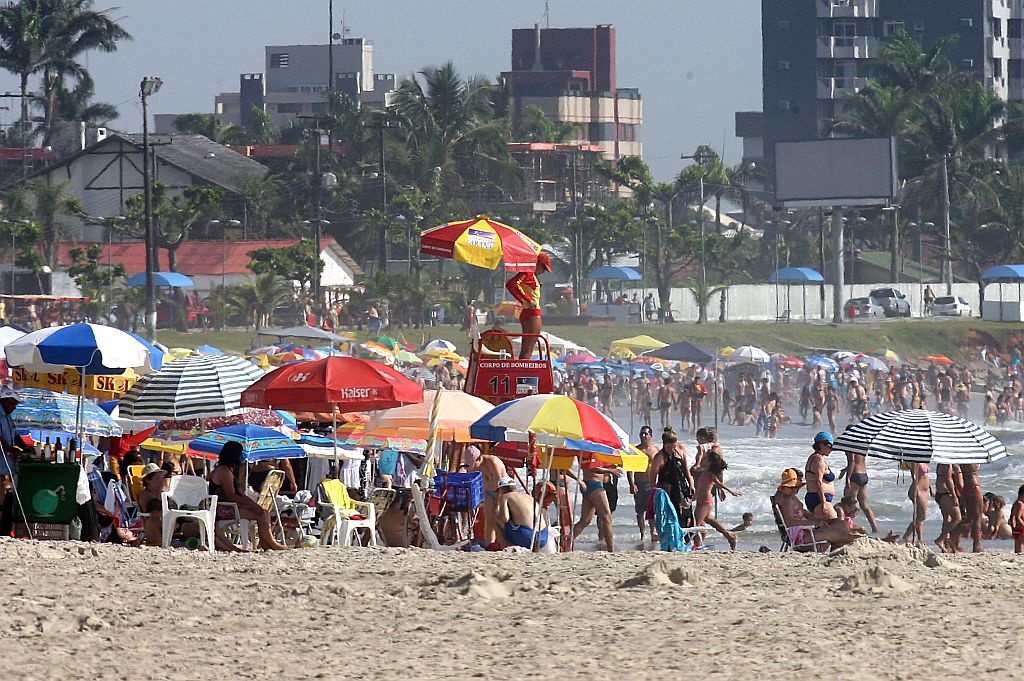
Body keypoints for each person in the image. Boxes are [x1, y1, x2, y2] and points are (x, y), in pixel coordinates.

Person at [208, 441, 288, 551]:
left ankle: (266, 542)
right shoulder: (224, 471)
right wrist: (252, 505)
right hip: (223, 508)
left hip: (229, 506)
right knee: (261, 514)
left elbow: (239, 492)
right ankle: (271, 543)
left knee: (264, 512)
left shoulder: (227, 469)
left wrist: (242, 473)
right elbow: (232, 496)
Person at [772, 468, 865, 551]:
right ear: (783, 487)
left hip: (804, 532)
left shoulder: (789, 497)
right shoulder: (786, 499)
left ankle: (853, 540)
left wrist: (819, 519)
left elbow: (803, 512)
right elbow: (790, 522)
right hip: (800, 536)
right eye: (791, 487)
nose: (795, 489)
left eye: (796, 486)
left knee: (841, 524)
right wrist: (815, 522)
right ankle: (861, 540)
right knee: (836, 532)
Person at [690, 447, 740, 550]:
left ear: (710, 462)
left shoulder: (710, 474)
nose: (703, 460)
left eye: (706, 459)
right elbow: (699, 487)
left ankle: (696, 545)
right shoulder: (703, 472)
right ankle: (729, 536)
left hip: (706, 502)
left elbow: (719, 484)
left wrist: (731, 492)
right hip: (700, 500)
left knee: (695, 524)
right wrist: (694, 497)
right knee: (709, 520)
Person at [506, 252, 552, 359]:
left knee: (526, 349)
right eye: (544, 268)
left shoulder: (531, 275)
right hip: (532, 313)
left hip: (528, 312)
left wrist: (523, 300)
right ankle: (522, 373)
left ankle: (520, 372)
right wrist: (526, 299)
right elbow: (511, 284)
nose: (543, 272)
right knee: (528, 350)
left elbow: (514, 285)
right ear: (538, 263)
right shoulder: (529, 273)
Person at [647, 427, 695, 528]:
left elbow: (686, 469)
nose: (672, 450)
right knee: (672, 515)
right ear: (664, 444)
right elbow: (652, 478)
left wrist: (691, 484)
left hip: (682, 486)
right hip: (667, 489)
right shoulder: (659, 457)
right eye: (669, 448)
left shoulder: (680, 449)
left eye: (673, 447)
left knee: (687, 515)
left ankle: (686, 539)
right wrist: (655, 493)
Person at [572, 462, 620, 552]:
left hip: (591, 483)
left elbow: (595, 465)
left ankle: (567, 543)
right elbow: (592, 467)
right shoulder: (589, 451)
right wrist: (610, 471)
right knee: (607, 517)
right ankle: (611, 549)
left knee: (585, 520)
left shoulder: (592, 451)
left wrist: (611, 465)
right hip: (594, 484)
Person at [839, 438, 880, 534]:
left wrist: (847, 478)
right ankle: (875, 529)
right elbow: (858, 462)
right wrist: (845, 470)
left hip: (854, 476)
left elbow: (852, 461)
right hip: (864, 475)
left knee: (848, 505)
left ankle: (848, 529)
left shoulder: (849, 444)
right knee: (864, 505)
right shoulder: (861, 445)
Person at [495, 477, 548, 550]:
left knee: (496, 520)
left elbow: (504, 519)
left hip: (527, 537)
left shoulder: (505, 496)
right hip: (543, 537)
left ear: (502, 489)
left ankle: (505, 546)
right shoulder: (529, 497)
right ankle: (535, 549)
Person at [628, 426, 658, 544]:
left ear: (651, 435)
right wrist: (632, 484)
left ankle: (653, 532)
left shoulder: (656, 450)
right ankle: (642, 534)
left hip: (652, 484)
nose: (643, 436)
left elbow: (661, 467)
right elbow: (630, 468)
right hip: (639, 483)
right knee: (640, 511)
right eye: (641, 434)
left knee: (652, 510)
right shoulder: (636, 450)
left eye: (645, 434)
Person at [805, 431, 838, 521]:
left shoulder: (817, 458)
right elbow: (818, 481)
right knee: (837, 525)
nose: (831, 449)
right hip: (818, 499)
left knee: (826, 528)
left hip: (818, 498)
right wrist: (823, 503)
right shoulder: (817, 459)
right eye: (830, 446)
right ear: (822, 445)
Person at [137, 463, 170, 547]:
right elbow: (154, 509)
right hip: (155, 524)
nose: (161, 479)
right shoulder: (145, 495)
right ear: (148, 481)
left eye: (161, 477)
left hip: (165, 521)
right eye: (158, 477)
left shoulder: (158, 493)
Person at [900, 462, 932, 544]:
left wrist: (931, 488)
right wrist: (916, 489)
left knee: (919, 516)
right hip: (918, 490)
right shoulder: (915, 461)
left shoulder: (923, 460)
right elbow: (914, 476)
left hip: (924, 490)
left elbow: (925, 476)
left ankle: (920, 538)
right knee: (922, 516)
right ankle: (906, 535)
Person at [1009, 485, 1024, 554]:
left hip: (1016, 531)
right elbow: (1018, 517)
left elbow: (1012, 517)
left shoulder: (1015, 503)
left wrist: (1013, 528)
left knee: (1018, 552)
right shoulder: (1021, 504)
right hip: (1021, 530)